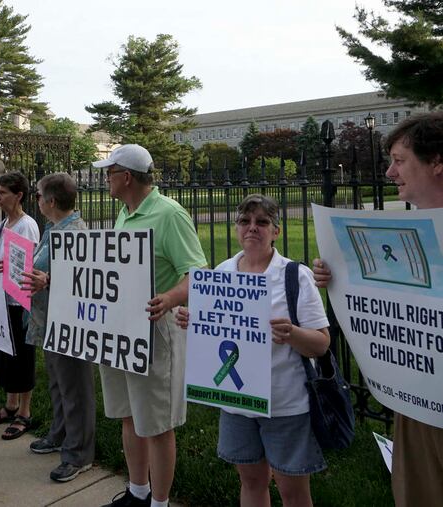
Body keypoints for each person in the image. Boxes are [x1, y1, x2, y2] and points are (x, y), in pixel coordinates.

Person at [313, 112, 443, 507]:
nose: (389, 172)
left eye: (400, 160)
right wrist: (339, 275)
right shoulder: (414, 228)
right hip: (417, 399)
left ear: (438, 162)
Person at [178, 194, 330, 507]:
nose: (252, 228)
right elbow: (214, 336)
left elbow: (321, 343)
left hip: (285, 404)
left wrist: (292, 333)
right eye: (245, 221)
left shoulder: (294, 277)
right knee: (251, 481)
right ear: (235, 228)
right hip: (236, 403)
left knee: (293, 491)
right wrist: (192, 322)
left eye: (262, 222)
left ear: (276, 231)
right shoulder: (222, 272)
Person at [95, 144, 207, 507]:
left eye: (109, 172)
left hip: (156, 332)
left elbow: (196, 273)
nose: (105, 179)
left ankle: (159, 502)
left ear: (126, 177)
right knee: (129, 415)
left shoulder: (169, 214)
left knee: (157, 424)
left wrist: (171, 299)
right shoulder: (125, 214)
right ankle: (137, 491)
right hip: (122, 330)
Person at [20, 172, 97, 483]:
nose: (35, 200)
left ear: (51, 201)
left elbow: (88, 281)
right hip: (49, 321)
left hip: (71, 324)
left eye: (38, 195)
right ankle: (60, 434)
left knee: (75, 386)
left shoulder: (76, 233)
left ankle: (79, 453)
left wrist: (48, 280)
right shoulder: (53, 229)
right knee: (58, 383)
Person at [0, 172, 40, 439]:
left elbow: (28, 264)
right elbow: (1, 257)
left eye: (3, 192)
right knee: (7, 354)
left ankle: (24, 412)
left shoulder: (26, 225)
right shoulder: (4, 223)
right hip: (2, 298)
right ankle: (10, 403)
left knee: (22, 357)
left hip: (19, 301)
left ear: (18, 195)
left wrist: (7, 267)